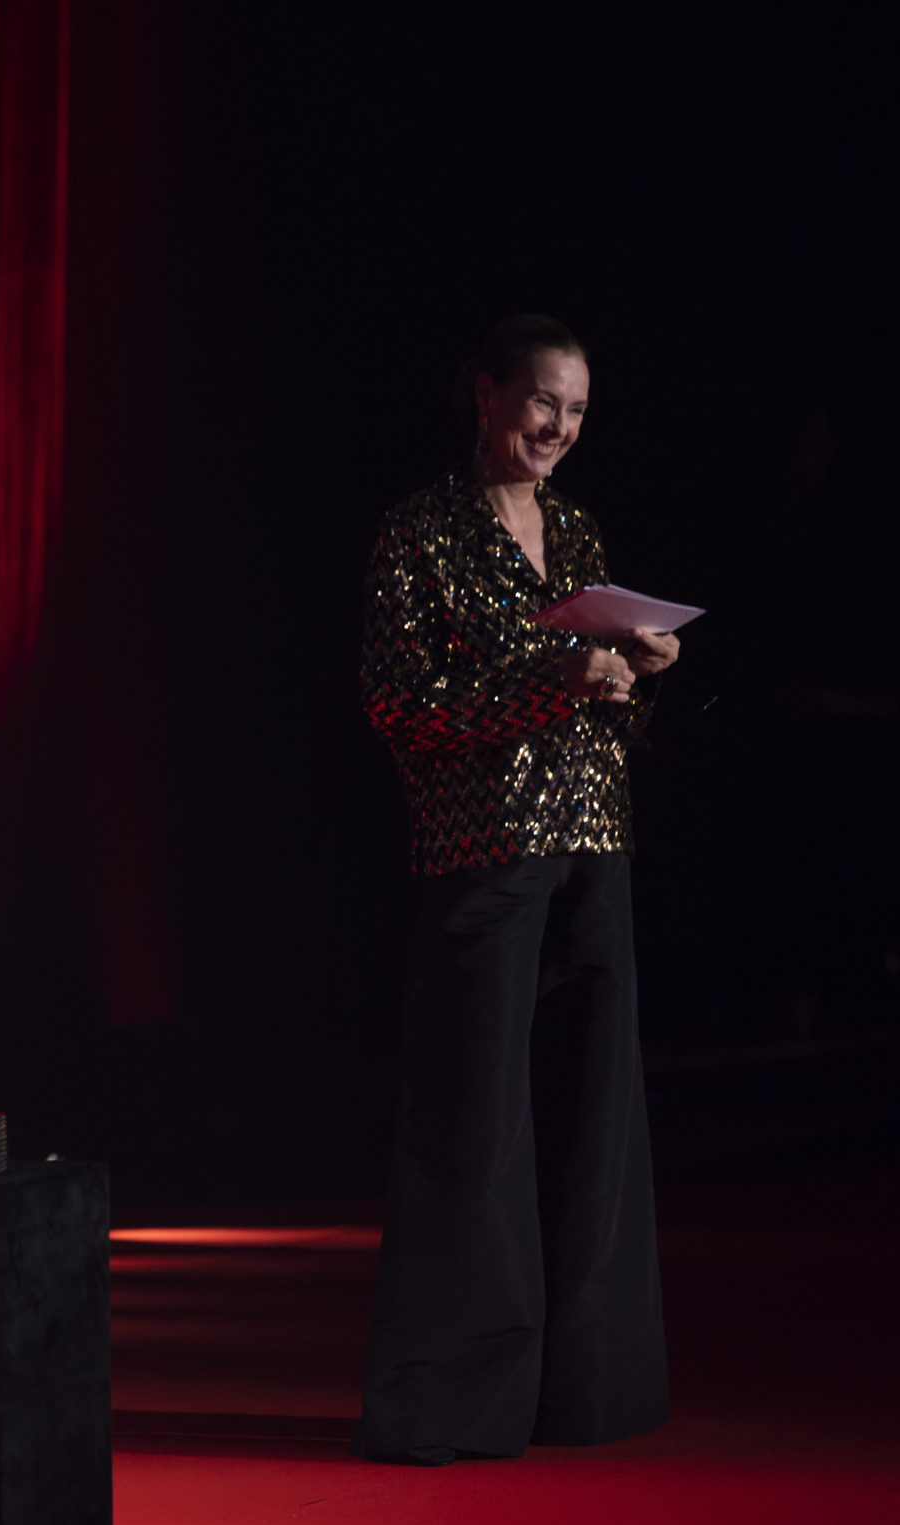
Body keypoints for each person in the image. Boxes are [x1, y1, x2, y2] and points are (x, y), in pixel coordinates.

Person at [354, 315, 680, 1466]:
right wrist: (552, 680)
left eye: (578, 411)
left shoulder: (578, 525)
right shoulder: (420, 531)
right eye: (543, 401)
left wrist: (631, 673)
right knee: (473, 1124)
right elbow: (403, 704)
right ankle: (458, 1401)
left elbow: (599, 711)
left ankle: (583, 1389)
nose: (559, 428)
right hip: (479, 845)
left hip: (593, 836)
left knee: (593, 1119)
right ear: (485, 394)